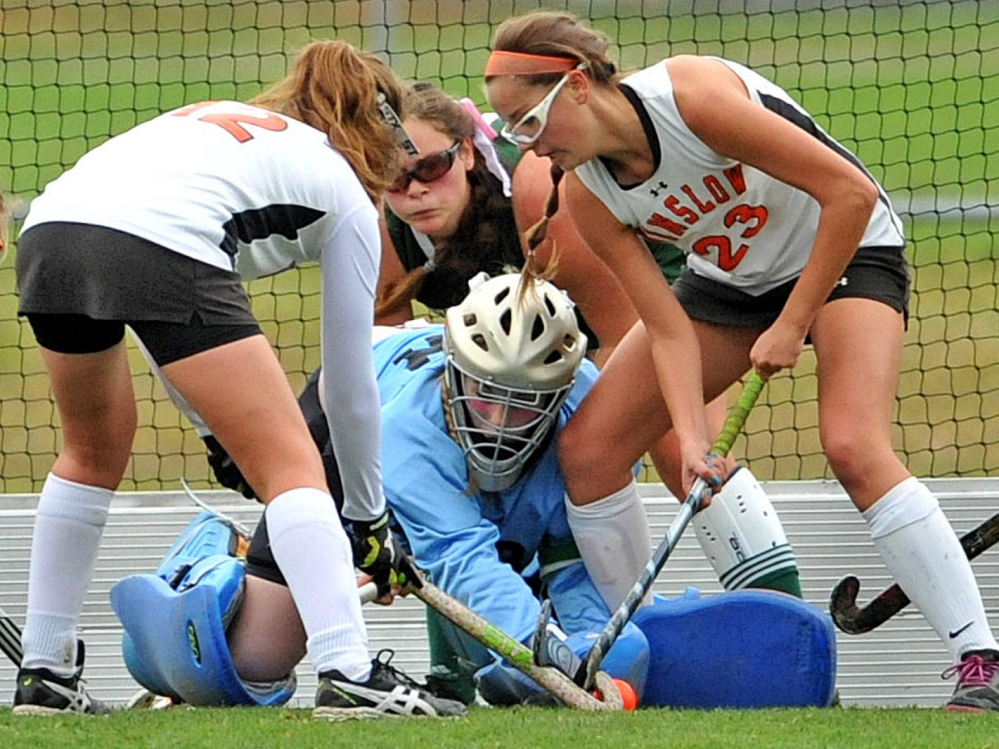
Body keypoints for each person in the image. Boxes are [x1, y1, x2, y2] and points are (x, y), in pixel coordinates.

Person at [483, 10, 999, 712]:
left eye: (528, 123)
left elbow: (849, 192)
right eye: (512, 132)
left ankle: (980, 662)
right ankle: (636, 650)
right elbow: (665, 329)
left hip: (845, 252)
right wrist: (693, 440)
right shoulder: (587, 195)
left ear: (574, 86)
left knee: (851, 443)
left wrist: (793, 322)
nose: (528, 148)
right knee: (590, 449)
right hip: (730, 285)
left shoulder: (690, 98)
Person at [12, 39, 464, 719]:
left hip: (49, 234)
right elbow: (349, 384)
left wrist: (212, 429)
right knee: (294, 465)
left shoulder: (223, 123)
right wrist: (367, 517)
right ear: (381, 133)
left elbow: (162, 311)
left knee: (93, 449)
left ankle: (44, 673)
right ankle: (350, 671)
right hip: (153, 243)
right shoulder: (343, 190)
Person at [119, 273, 651, 707]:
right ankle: (207, 565)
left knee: (516, 548)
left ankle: (453, 672)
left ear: (560, 392)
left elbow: (572, 557)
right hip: (348, 418)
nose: (502, 422)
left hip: (445, 494)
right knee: (249, 665)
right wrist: (551, 659)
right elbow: (460, 559)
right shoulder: (404, 431)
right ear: (455, 373)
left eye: (525, 405)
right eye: (486, 398)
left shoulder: (587, 412)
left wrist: (591, 646)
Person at [368, 82, 802, 607]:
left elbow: (619, 330)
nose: (413, 190)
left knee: (681, 455)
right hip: (540, 348)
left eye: (430, 169)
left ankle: (785, 624)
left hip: (664, 308)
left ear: (464, 152)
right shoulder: (390, 227)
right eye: (393, 178)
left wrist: (583, 431)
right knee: (463, 460)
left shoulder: (534, 191)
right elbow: (388, 349)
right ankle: (471, 666)